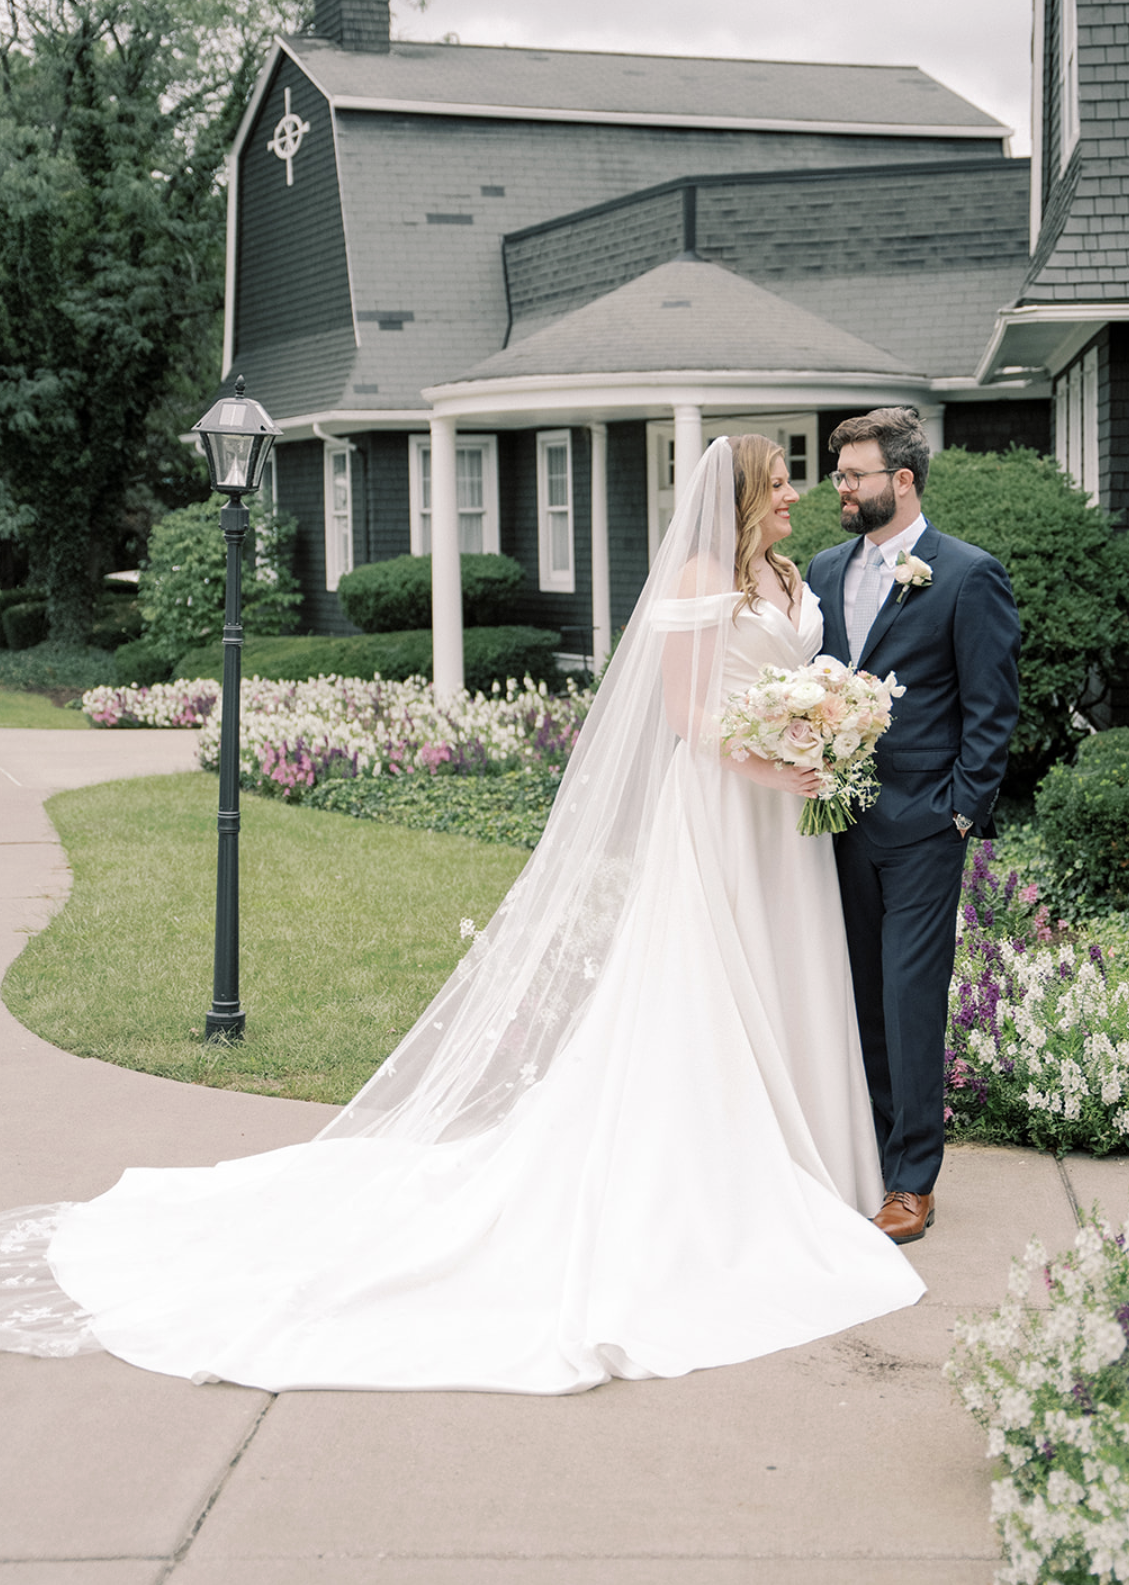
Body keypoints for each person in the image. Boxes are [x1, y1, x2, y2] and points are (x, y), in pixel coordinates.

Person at [0, 436, 923, 1393]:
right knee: (715, 987)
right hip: (730, 812)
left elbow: (796, 677)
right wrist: (779, 763)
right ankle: (718, 1182)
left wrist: (825, 726)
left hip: (789, 824)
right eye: (779, 487)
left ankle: (805, 1163)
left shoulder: (784, 572)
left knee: (788, 974)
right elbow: (690, 718)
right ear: (737, 499)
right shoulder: (698, 573)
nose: (796, 499)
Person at [807, 409, 1020, 1245]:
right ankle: (869, 1156)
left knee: (910, 998)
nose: (842, 488)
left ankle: (912, 1182)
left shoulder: (967, 576)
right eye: (838, 475)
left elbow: (991, 710)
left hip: (925, 826)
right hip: (833, 822)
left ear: (901, 481)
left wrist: (958, 813)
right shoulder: (823, 571)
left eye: (855, 475)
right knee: (855, 994)